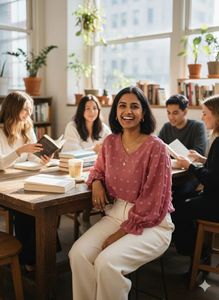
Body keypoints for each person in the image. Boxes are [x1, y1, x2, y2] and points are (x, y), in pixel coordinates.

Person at [68, 86, 174, 300]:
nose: (128, 111)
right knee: (77, 254)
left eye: (135, 106)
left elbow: (152, 203)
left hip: (152, 223)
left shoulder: (157, 148)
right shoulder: (110, 142)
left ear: (143, 113)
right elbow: (97, 170)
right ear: (115, 111)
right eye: (122, 106)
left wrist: (120, 233)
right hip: (115, 214)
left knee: (107, 264)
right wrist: (96, 182)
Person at [0, 91, 52, 271]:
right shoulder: (0, 131)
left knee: (42, 206)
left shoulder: (27, 127)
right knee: (26, 211)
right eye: (25, 110)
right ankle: (29, 259)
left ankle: (41, 256)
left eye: (30, 110)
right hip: (4, 184)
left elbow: (33, 158)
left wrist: (43, 159)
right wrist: (19, 151)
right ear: (13, 109)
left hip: (22, 179)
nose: (28, 115)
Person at [171, 95, 219, 264]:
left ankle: (197, 254)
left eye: (205, 113)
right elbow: (216, 169)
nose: (202, 117)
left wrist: (189, 166)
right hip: (214, 198)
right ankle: (197, 252)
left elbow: (211, 180)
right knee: (181, 201)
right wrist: (202, 159)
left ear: (216, 115)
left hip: (215, 202)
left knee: (175, 210)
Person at [62, 94, 111, 233]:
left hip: (98, 169)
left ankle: (107, 217)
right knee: (89, 185)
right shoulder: (72, 126)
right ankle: (85, 218)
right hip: (77, 169)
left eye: (95, 108)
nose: (91, 112)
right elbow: (71, 153)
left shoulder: (103, 128)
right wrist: (93, 149)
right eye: (87, 108)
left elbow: (112, 149)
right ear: (81, 110)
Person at [158, 94, 207, 200]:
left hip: (191, 175)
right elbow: (157, 150)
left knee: (176, 197)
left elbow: (198, 153)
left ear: (185, 112)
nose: (171, 117)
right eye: (168, 113)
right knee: (157, 194)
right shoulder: (166, 127)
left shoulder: (197, 126)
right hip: (171, 173)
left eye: (175, 113)